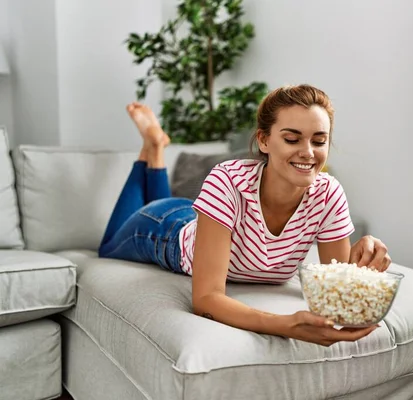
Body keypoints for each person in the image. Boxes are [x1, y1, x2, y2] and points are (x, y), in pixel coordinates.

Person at [99, 84, 392, 346]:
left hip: (210, 218)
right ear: (264, 141)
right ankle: (152, 148)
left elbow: (337, 287)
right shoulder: (227, 179)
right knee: (107, 246)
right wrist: (284, 325)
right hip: (166, 231)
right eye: (292, 139)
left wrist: (363, 258)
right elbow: (205, 300)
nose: (308, 152)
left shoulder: (328, 194)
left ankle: (156, 147)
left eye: (319, 141)